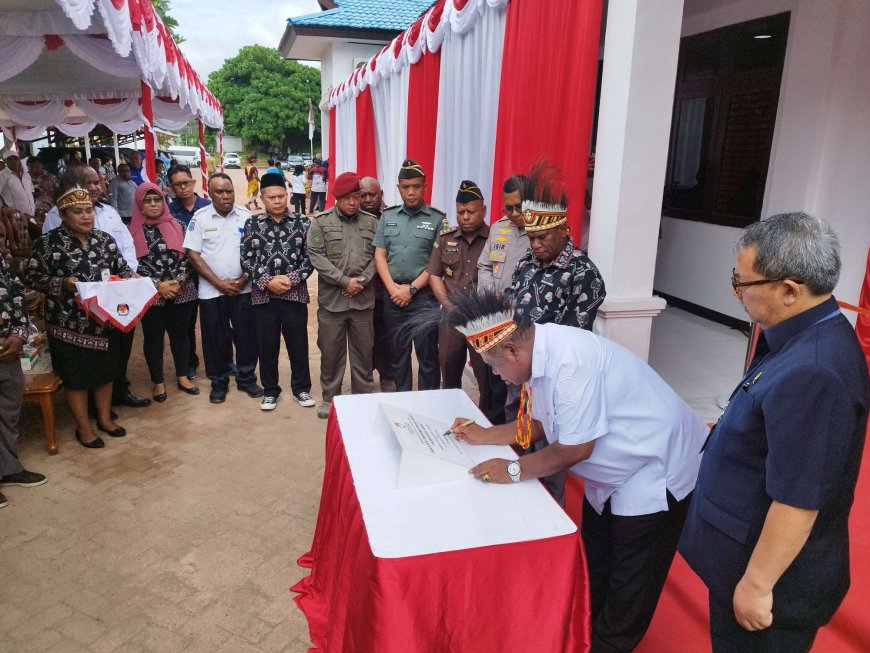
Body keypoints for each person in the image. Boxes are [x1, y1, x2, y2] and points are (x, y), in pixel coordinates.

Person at [442, 290, 707, 653]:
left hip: (652, 469)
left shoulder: (569, 363)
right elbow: (543, 423)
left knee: (631, 582)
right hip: (614, 473)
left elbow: (575, 448)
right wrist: (484, 434)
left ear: (512, 352)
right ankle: (587, 633)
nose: (495, 374)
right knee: (597, 559)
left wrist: (514, 469)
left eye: (494, 365)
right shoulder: (538, 349)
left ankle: (608, 643)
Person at [679, 212, 869, 652]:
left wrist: (757, 585)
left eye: (743, 283)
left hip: (772, 585)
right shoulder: (797, 334)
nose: (735, 292)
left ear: (789, 290)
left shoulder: (816, 371)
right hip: (740, 553)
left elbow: (797, 499)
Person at [27, 186, 135, 448]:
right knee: (76, 376)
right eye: (78, 212)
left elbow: (124, 270)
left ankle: (105, 419)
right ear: (64, 215)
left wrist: (141, 282)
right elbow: (31, 277)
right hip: (68, 323)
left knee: (106, 371)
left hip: (103, 319)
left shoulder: (104, 240)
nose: (86, 216)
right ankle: (84, 428)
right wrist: (63, 283)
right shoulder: (48, 243)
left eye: (89, 211)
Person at [42, 166, 150, 409]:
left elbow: (126, 246)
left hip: (117, 295)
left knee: (118, 348)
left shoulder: (110, 212)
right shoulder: (54, 217)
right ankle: (91, 405)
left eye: (97, 182)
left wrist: (125, 278)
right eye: (88, 183)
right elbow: (50, 262)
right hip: (78, 306)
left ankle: (119, 390)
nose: (95, 187)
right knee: (85, 358)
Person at [184, 173, 261, 404]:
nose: (225, 195)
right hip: (211, 291)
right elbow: (193, 254)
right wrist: (218, 283)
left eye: (229, 190)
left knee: (246, 336)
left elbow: (257, 253)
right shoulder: (200, 218)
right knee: (215, 338)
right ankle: (219, 381)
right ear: (210, 193)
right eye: (219, 191)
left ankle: (246, 378)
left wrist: (243, 280)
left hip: (243, 289)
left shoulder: (247, 217)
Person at [240, 173, 314, 411]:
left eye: (281, 196)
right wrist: (266, 281)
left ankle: (301, 389)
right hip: (264, 297)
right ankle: (270, 391)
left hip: (294, 296)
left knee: (298, 345)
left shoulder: (303, 222)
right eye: (272, 197)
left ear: (287, 195)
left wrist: (291, 279)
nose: (278, 201)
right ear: (262, 198)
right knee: (267, 346)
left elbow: (310, 258)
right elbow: (245, 259)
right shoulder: (252, 224)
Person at [307, 172, 377, 418]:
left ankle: (362, 399)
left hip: (363, 301)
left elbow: (378, 256)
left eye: (356, 197)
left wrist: (364, 280)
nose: (353, 202)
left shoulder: (371, 222)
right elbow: (315, 255)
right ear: (337, 198)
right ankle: (330, 398)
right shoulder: (321, 222)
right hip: (332, 303)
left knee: (363, 354)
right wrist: (344, 281)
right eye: (347, 198)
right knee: (331, 353)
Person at [372, 159, 443, 392]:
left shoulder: (437, 219)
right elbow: (380, 255)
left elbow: (436, 262)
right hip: (393, 297)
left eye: (416, 186)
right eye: (405, 187)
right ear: (398, 187)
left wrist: (411, 289)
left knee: (427, 356)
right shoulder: (388, 217)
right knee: (398, 355)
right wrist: (393, 288)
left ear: (425, 186)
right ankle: (403, 402)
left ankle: (428, 405)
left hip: (424, 298)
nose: (411, 192)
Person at [130, 183, 199, 402]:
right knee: (153, 338)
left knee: (181, 335)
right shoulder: (132, 230)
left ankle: (182, 375)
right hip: (150, 294)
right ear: (140, 204)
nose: (153, 204)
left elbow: (189, 255)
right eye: (147, 201)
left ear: (163, 201)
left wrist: (177, 282)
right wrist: (157, 285)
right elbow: (131, 265)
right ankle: (158, 382)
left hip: (182, 290)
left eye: (157, 199)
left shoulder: (178, 224)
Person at [427, 180, 491, 414]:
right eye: (460, 212)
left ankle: (485, 421)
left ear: (483, 210)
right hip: (451, 318)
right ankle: (451, 417)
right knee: (450, 370)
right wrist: (447, 304)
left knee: (486, 378)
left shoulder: (495, 239)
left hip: (482, 320)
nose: (465, 217)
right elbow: (434, 275)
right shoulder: (446, 239)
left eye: (471, 212)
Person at [476, 174, 531, 424]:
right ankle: (499, 432)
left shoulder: (539, 234)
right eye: (508, 207)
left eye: (519, 206)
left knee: (520, 392)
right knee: (497, 385)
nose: (514, 213)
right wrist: (490, 293)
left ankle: (519, 445)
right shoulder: (499, 228)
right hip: (496, 319)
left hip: (525, 325)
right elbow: (484, 266)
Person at [0, 256, 46, 508]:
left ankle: (9, 468)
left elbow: (18, 297)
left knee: (8, 412)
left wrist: (18, 335)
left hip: (7, 350)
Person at [167, 164, 211, 379]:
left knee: (215, 320)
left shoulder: (208, 206)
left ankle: (223, 360)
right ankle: (190, 362)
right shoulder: (169, 212)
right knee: (187, 324)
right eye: (178, 185)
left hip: (210, 272)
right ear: (171, 187)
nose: (183, 188)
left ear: (193, 182)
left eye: (186, 183)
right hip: (184, 277)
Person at [360, 176, 395, 392]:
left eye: (372, 194)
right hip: (362, 290)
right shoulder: (356, 216)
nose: (367, 199)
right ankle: (365, 376)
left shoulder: (392, 216)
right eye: (363, 195)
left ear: (381, 193)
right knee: (364, 336)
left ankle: (387, 374)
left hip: (387, 288)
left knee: (385, 334)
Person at [0, 150, 35, 217]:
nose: (13, 161)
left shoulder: (26, 174)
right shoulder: (2, 175)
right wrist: (3, 209)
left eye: (15, 158)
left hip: (31, 213)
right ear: (5, 161)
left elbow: (31, 192)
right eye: (9, 159)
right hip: (16, 217)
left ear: (19, 159)